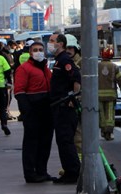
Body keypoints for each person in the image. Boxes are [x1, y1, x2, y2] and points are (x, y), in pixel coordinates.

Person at [14, 41, 54, 183]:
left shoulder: (45, 68)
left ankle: (42, 171)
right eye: (35, 50)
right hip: (33, 111)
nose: (38, 52)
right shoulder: (24, 69)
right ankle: (30, 174)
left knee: (45, 143)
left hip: (46, 110)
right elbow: (19, 91)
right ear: (30, 53)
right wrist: (26, 112)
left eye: (40, 49)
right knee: (32, 143)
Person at [48, 33, 81, 184]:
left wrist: (72, 99)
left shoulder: (64, 60)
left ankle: (73, 173)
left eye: (52, 41)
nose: (50, 43)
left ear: (60, 44)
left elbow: (76, 78)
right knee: (62, 141)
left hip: (65, 108)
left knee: (66, 141)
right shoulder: (58, 61)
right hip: (59, 107)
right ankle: (69, 171)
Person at [98, 48, 121, 141]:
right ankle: (109, 133)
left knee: (101, 114)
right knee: (109, 115)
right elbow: (120, 81)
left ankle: (103, 131)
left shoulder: (96, 66)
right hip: (111, 95)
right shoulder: (115, 67)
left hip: (98, 96)